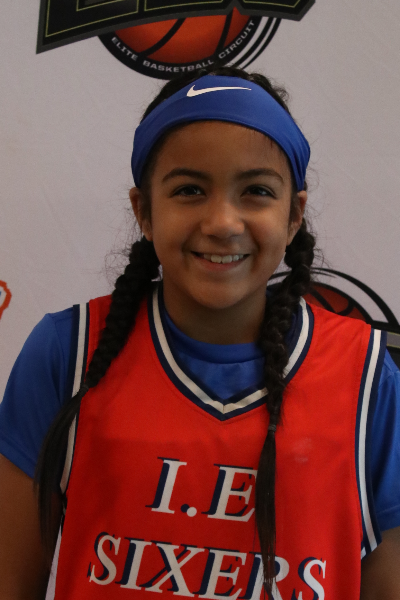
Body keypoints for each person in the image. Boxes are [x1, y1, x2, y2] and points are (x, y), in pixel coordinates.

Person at [0, 66, 400, 600]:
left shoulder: (367, 376)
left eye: (256, 191)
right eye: (189, 190)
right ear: (144, 211)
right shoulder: (66, 353)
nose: (223, 223)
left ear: (294, 215)